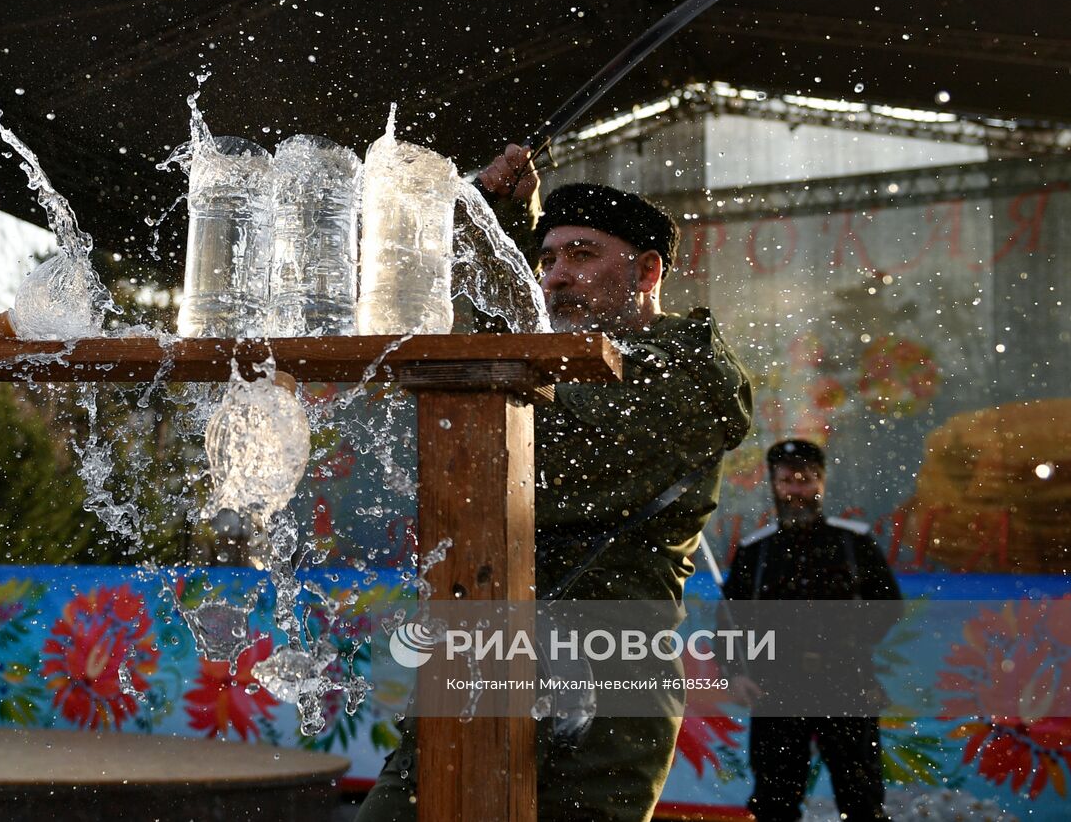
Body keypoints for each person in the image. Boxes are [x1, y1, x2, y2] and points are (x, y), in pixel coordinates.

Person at [358, 148, 754, 822]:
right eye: (546, 262)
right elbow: (488, 372)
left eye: (581, 255)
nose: (556, 278)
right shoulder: (554, 362)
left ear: (649, 270)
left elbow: (529, 451)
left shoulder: (688, 379)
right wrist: (501, 220)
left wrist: (491, 239)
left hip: (602, 702)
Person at [723, 439, 902, 822]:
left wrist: (848, 645)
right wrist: (737, 673)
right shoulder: (756, 552)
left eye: (806, 480)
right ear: (773, 484)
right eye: (787, 480)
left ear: (822, 482)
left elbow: (889, 605)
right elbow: (729, 621)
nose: (796, 490)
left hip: (847, 684)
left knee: (862, 800)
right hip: (777, 686)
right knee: (774, 801)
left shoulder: (852, 543)